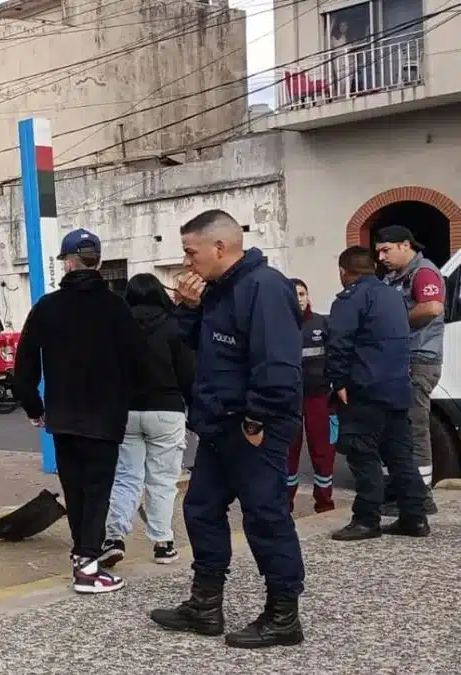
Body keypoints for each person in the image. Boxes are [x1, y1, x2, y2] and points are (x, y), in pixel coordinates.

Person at [149, 210, 305, 649]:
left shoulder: (264, 287)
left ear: (219, 247)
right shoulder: (217, 290)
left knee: (266, 517)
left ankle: (283, 615)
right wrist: (187, 307)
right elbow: (193, 343)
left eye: (190, 251)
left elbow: (277, 364)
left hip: (254, 425)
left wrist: (257, 418)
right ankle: (205, 605)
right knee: (200, 509)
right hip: (219, 424)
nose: (186, 261)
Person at [13, 228, 148, 595]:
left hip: (63, 417)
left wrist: (34, 407)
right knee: (98, 490)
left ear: (68, 263)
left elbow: (24, 367)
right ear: (98, 263)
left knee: (74, 489)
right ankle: (88, 566)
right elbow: (141, 361)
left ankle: (82, 556)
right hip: (105, 416)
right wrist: (125, 396)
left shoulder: (47, 307)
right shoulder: (117, 308)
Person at [327, 246, 429, 541]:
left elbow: (339, 343)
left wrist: (338, 381)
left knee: (363, 455)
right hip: (397, 389)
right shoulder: (394, 296)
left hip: (364, 390)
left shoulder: (350, 299)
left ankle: (366, 520)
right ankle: (414, 518)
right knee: (400, 457)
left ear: (344, 272)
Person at [101, 273, 194, 568]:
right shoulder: (174, 325)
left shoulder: (117, 328)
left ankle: (114, 538)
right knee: (162, 480)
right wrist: (194, 410)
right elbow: (188, 373)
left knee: (126, 477)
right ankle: (162, 544)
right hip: (167, 410)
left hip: (127, 412)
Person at [375, 225, 444, 516]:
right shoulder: (394, 277)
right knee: (399, 428)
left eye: (386, 250)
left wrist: (395, 324)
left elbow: (431, 307)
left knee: (415, 427)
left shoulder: (423, 272)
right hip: (401, 360)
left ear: (406, 245)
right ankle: (402, 491)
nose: (381, 257)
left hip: (419, 359)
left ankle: (421, 498)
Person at [286, 279, 336, 513]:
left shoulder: (322, 323)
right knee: (288, 450)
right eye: (294, 294)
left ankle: (324, 503)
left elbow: (336, 356)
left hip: (320, 397)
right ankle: (284, 503)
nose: (299, 298)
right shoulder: (278, 325)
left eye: (302, 293)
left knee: (322, 450)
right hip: (289, 399)